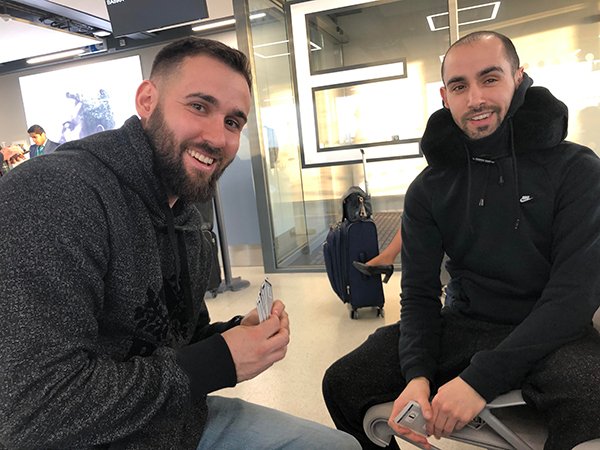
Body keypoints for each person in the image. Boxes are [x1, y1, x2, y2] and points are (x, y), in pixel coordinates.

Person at [0, 37, 360, 450]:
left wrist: (229, 337)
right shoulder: (54, 196)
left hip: (178, 425)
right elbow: (35, 415)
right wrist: (217, 362)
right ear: (147, 99)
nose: (216, 136)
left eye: (233, 122)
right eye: (199, 106)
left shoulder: (185, 216)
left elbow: (167, 340)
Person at [323, 30, 600, 450]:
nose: (475, 99)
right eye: (459, 86)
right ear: (444, 96)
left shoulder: (577, 169)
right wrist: (417, 374)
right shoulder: (429, 188)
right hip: (467, 324)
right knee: (344, 381)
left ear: (519, 77)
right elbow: (418, 293)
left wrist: (478, 382)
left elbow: (573, 298)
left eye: (490, 79)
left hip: (552, 331)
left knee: (592, 399)